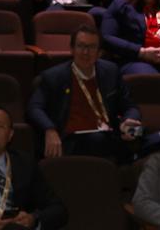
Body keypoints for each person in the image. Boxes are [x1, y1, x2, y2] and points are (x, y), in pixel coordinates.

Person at [27, 24, 142, 160]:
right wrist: (49, 129)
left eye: (91, 47)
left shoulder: (111, 72)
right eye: (81, 46)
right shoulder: (53, 77)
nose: (85, 52)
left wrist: (129, 120)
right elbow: (34, 108)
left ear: (100, 52)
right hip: (72, 140)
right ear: (72, 49)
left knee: (144, 135)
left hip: (110, 135)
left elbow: (130, 106)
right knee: (99, 140)